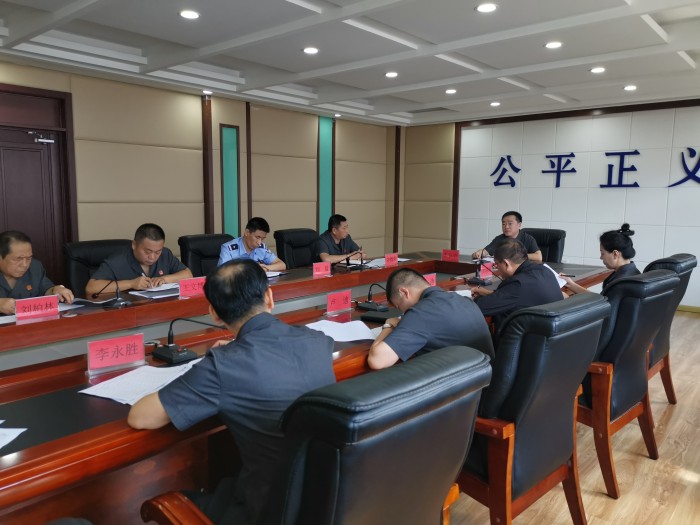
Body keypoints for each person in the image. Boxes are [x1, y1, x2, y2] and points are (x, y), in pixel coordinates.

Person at [128, 259, 335, 524]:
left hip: (264, 511)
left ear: (214, 313)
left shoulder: (223, 365)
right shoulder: (318, 341)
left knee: (174, 500)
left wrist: (219, 361)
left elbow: (140, 417)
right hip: (324, 502)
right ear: (269, 297)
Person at [368, 267, 494, 369]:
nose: (402, 311)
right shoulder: (465, 300)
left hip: (462, 388)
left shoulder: (421, 313)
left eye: (398, 306)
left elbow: (377, 361)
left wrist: (389, 325)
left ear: (404, 292)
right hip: (485, 382)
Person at [471, 238, 562, 334]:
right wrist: (490, 293)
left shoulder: (517, 284)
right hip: (551, 338)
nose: (496, 268)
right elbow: (522, 297)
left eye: (496, 264)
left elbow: (480, 307)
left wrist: (476, 297)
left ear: (506, 264)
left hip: (524, 341)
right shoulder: (545, 270)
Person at [85, 223, 192, 297]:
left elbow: (188, 275)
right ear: (134, 245)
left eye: (157, 252)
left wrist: (165, 279)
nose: (152, 257)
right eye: (147, 251)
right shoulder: (118, 260)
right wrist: (131, 284)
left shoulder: (165, 254)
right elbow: (91, 288)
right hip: (128, 313)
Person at [0, 230, 74, 315]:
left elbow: (46, 290)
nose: (25, 265)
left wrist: (56, 290)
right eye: (18, 259)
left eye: (29, 258)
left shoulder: (35, 267)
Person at [562, 223, 639, 294]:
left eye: (602, 253)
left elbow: (602, 302)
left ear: (615, 254)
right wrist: (571, 284)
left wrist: (567, 298)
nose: (601, 257)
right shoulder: (631, 272)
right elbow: (601, 299)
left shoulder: (620, 282)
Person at [217, 217, 286, 271]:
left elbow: (282, 265)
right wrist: (253, 269)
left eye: (262, 239)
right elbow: (222, 272)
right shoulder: (228, 248)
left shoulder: (261, 248)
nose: (259, 242)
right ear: (247, 233)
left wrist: (266, 268)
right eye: (257, 237)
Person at [472, 211, 542, 262]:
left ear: (519, 225)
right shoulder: (500, 238)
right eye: (503, 224)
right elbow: (486, 251)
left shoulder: (528, 238)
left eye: (510, 223)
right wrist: (479, 253)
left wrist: (518, 256)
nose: (506, 227)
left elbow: (538, 257)